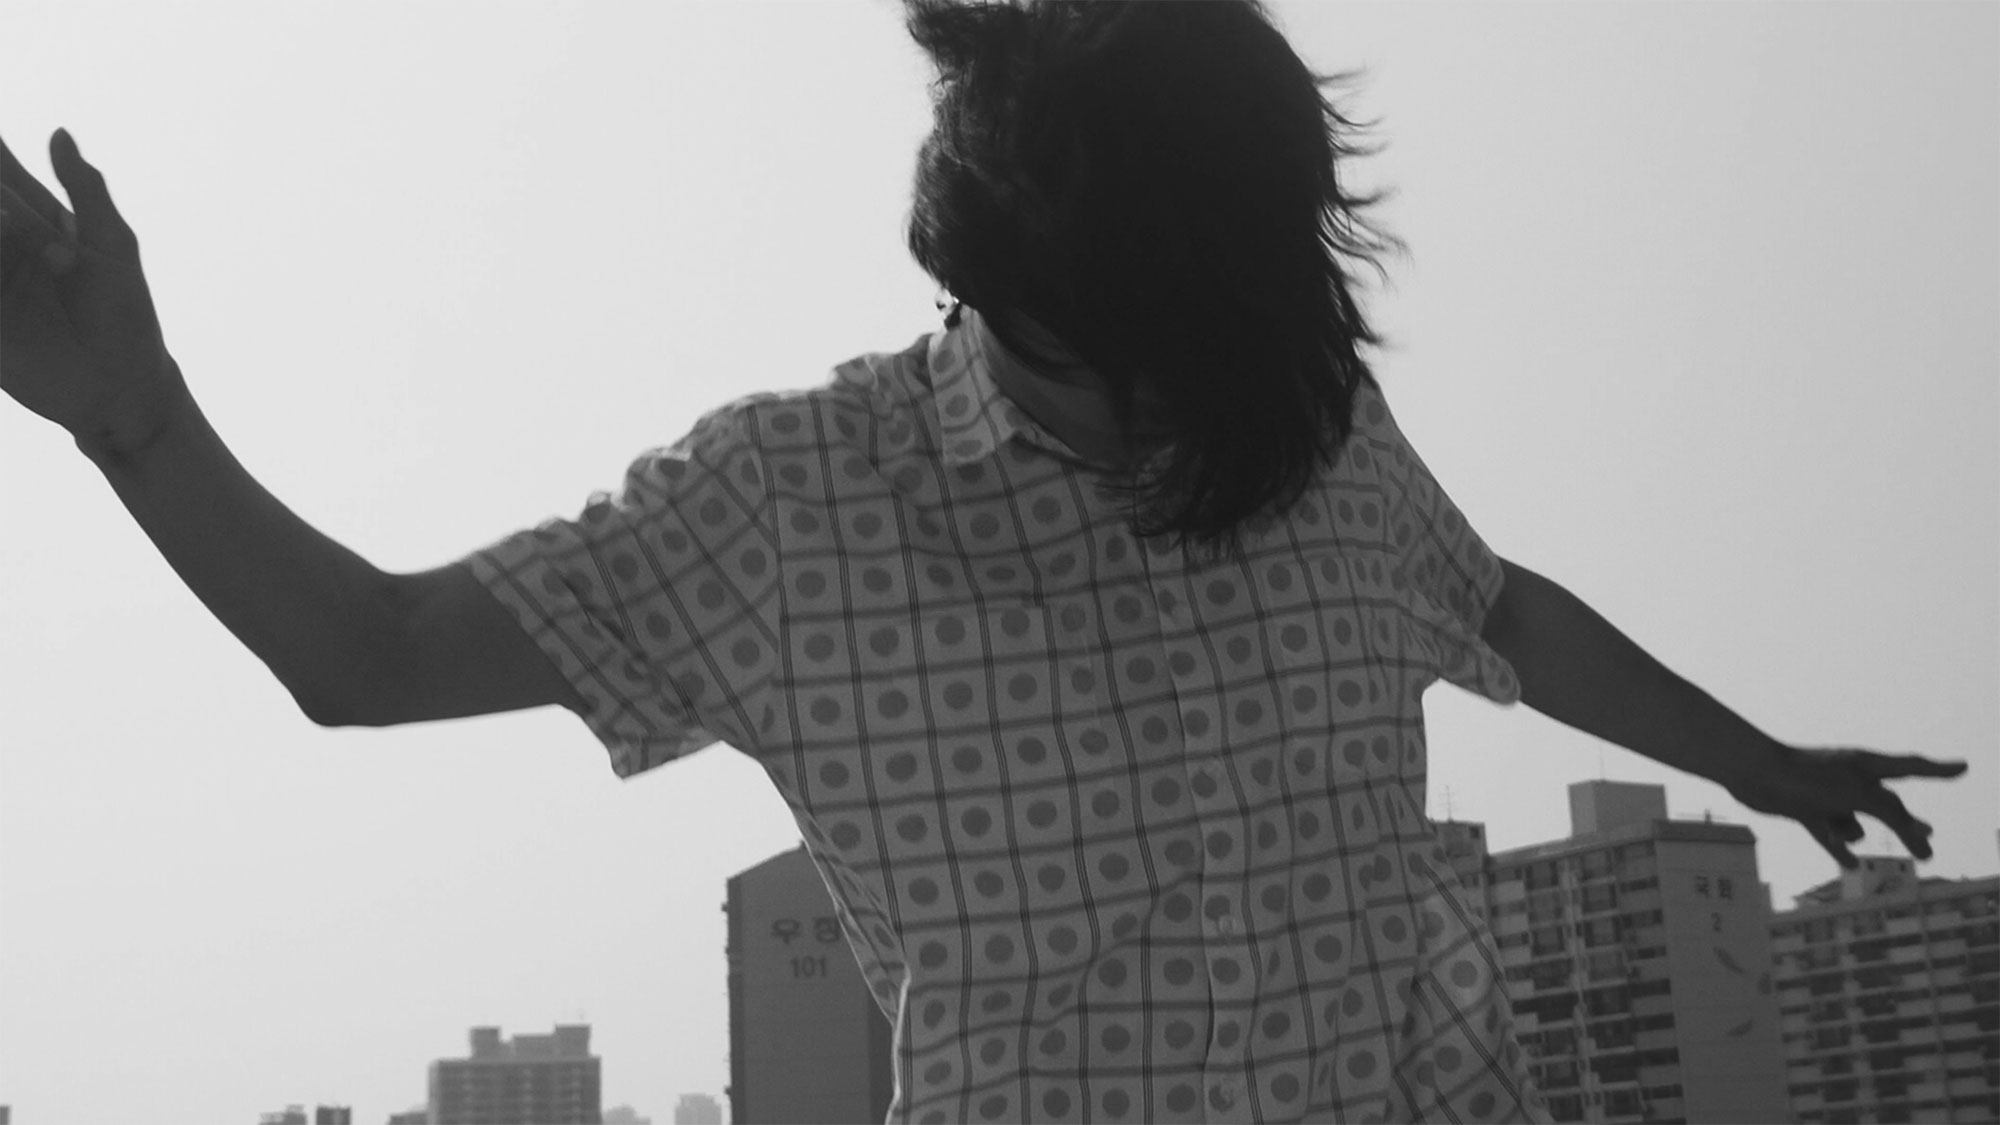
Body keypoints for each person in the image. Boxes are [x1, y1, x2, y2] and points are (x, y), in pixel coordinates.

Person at [0, 3, 1968, 1122]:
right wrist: (138, 418)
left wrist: (1756, 759)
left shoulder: (1316, 418)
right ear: (975, 281)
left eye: (1176, 364)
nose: (1128, 423)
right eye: (1067, 361)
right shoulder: (787, 504)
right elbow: (362, 648)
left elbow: (1495, 608)